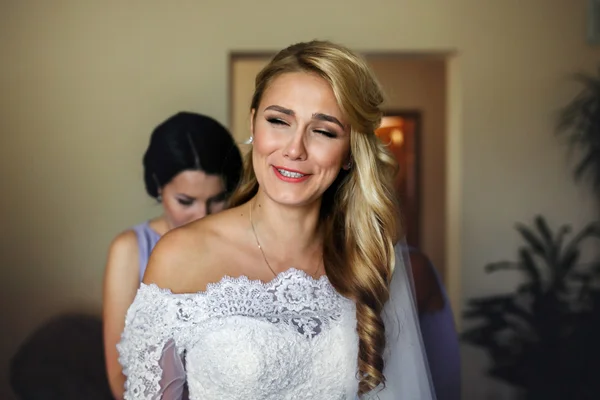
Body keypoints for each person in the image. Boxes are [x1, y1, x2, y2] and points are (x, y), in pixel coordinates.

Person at [118, 41, 435, 399]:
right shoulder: (181, 256)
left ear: (349, 152)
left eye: (324, 131)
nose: (295, 149)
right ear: (254, 122)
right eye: (279, 121)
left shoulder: (369, 261)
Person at [102, 111, 243, 399]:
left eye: (217, 199)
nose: (202, 215)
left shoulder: (243, 245)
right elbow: (120, 378)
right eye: (186, 201)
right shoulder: (129, 250)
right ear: (157, 185)